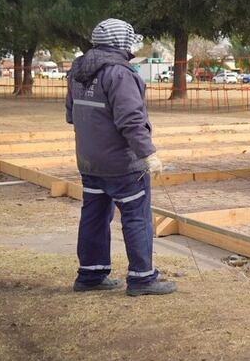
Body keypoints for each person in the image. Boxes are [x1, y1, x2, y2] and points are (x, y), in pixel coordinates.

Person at [65, 18, 176, 297]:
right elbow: (130, 120)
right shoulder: (119, 73)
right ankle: (142, 278)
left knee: (93, 215)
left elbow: (71, 114)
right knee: (137, 217)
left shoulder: (78, 70)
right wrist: (148, 154)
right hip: (122, 165)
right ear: (120, 42)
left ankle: (90, 275)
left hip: (89, 161)